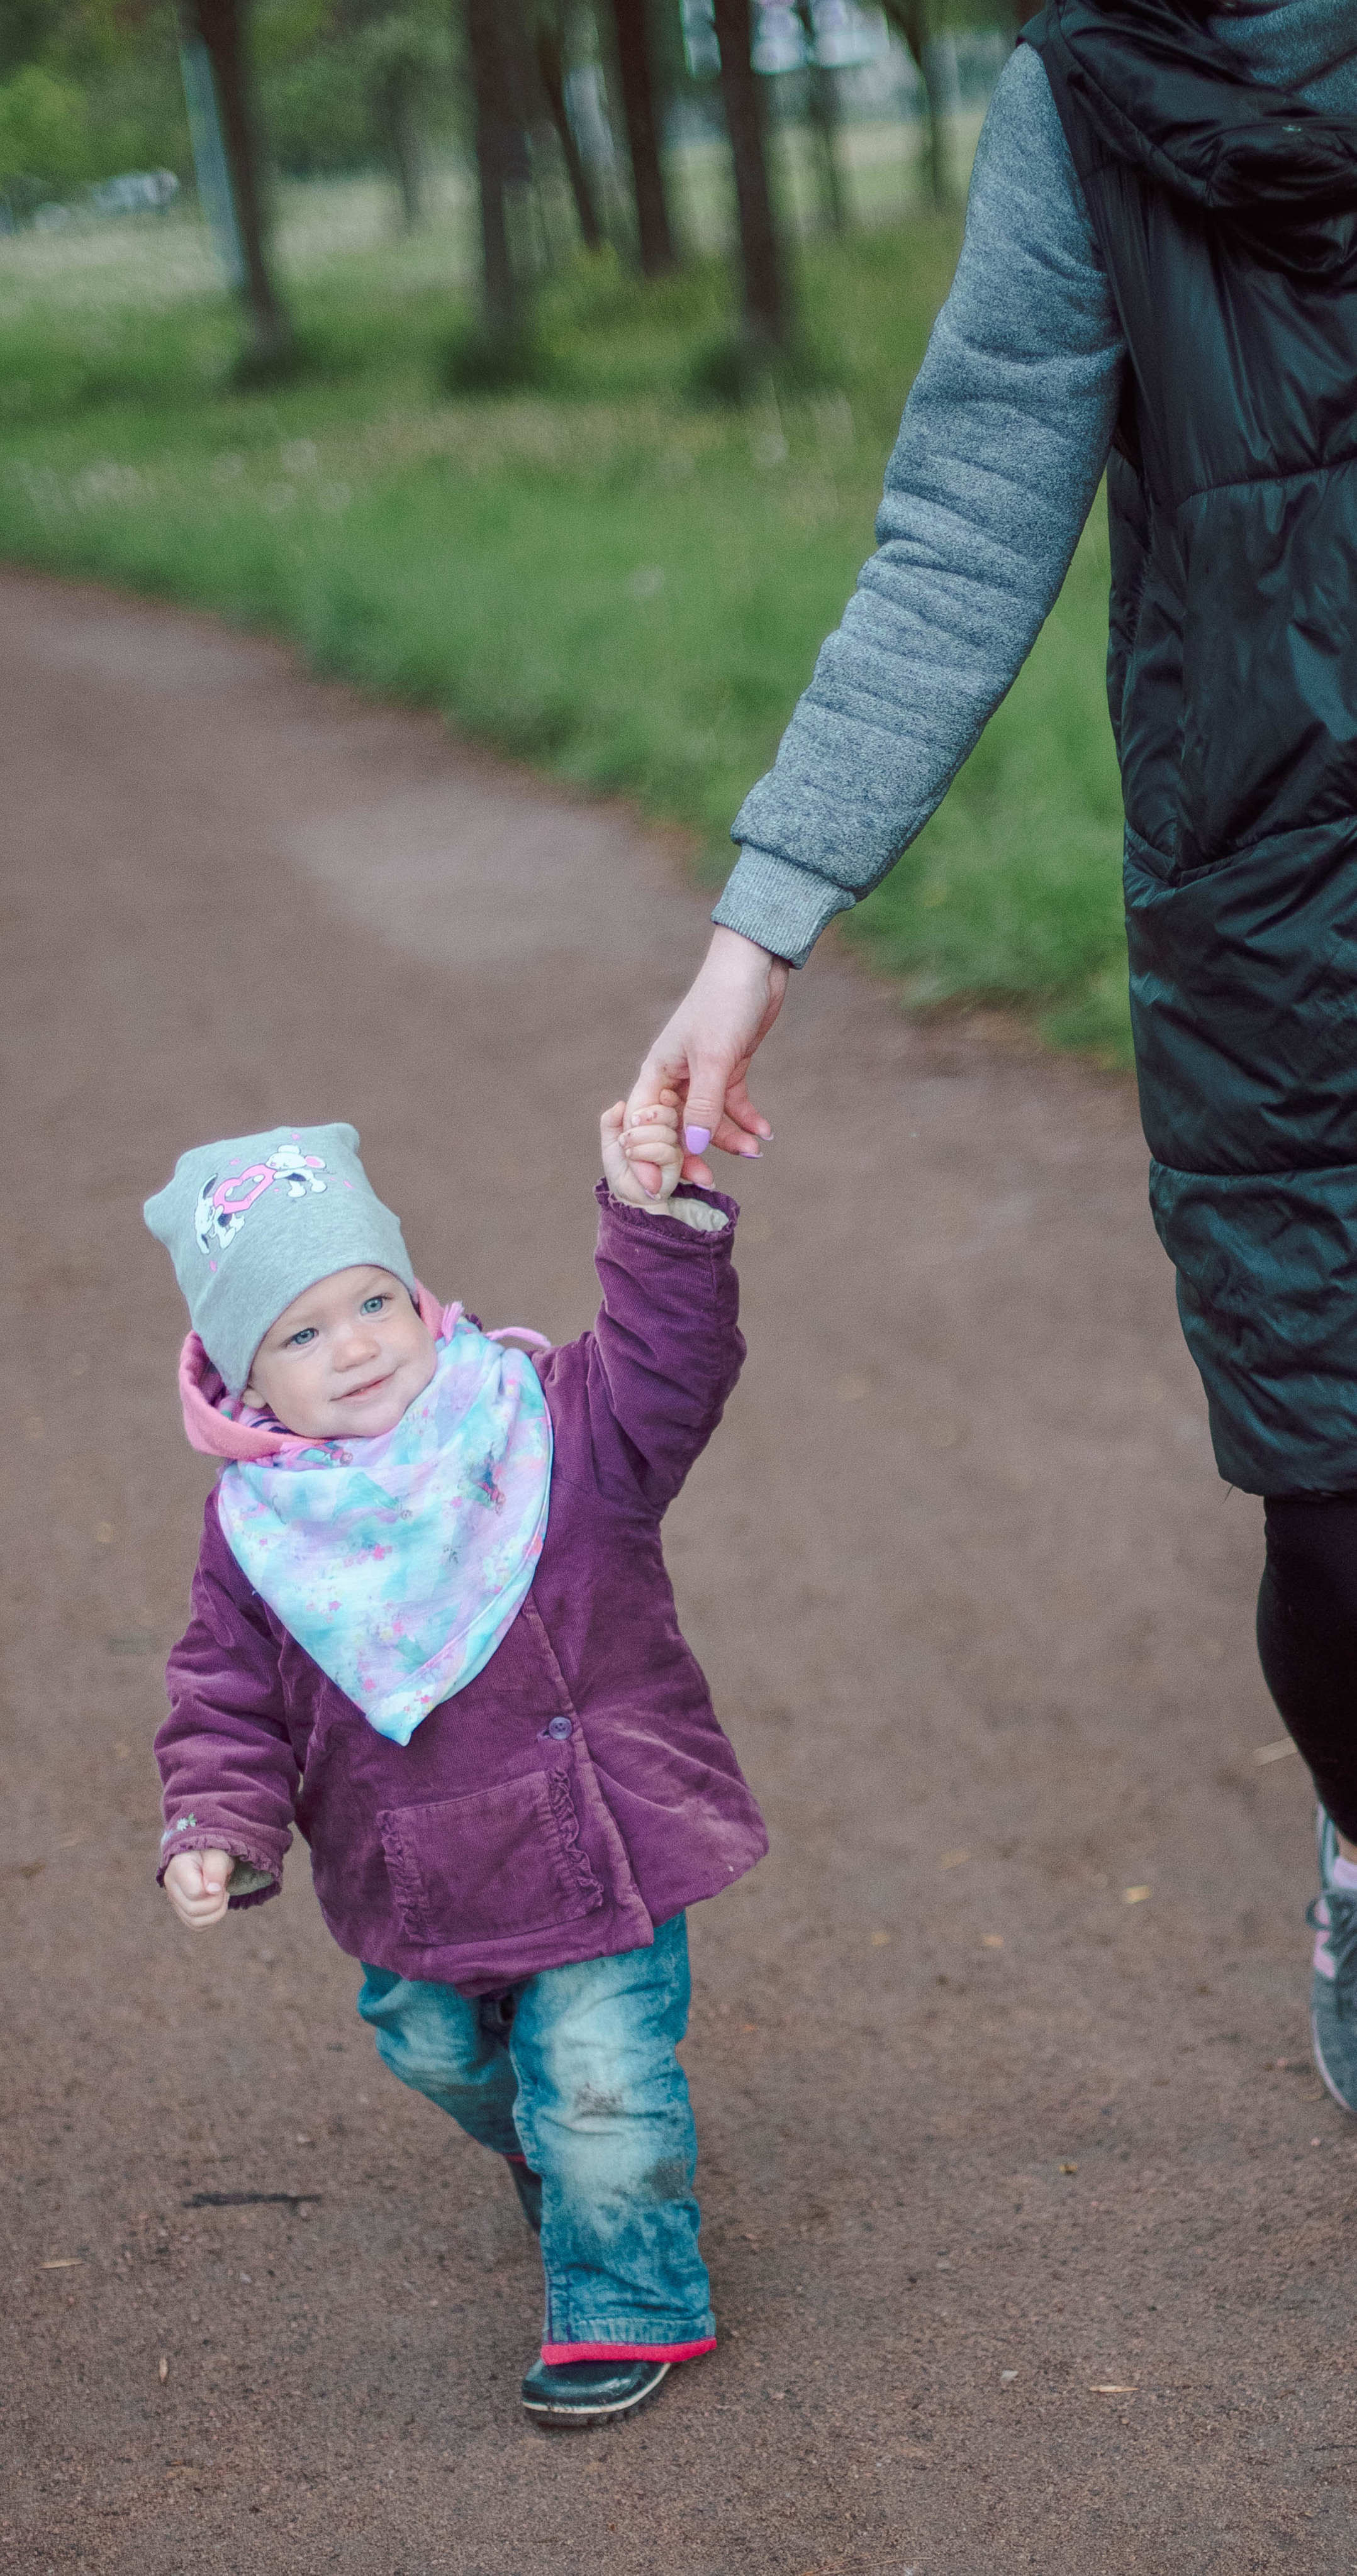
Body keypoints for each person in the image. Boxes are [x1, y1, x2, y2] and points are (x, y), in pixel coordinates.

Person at [627, 0, 1357, 2109]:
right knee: (1329, 1510)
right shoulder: (1084, 103)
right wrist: (762, 921)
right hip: (1276, 923)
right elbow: (964, 519)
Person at [142, 1111, 766, 2428]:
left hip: (600, 1843)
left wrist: (650, 1219)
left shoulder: (547, 1429)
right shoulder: (263, 1530)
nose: (356, 1342)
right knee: (430, 2047)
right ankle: (557, 2143)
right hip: (417, 1874)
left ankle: (623, 2300)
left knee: (599, 2079)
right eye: (301, 1332)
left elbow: (671, 1360)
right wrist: (217, 1816)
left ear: (419, 1298)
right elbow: (225, 1687)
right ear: (243, 1380)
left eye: (373, 1299)